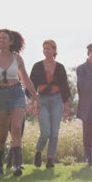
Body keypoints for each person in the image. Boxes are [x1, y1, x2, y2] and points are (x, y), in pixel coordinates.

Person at [0, 29, 39, 177]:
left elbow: (25, 79)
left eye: (4, 38)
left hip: (17, 93)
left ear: (11, 41)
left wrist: (35, 97)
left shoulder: (17, 58)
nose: (1, 40)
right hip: (0, 95)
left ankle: (16, 165)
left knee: (17, 128)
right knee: (2, 134)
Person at [28, 40, 71, 168]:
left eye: (49, 49)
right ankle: (38, 152)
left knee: (54, 133)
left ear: (54, 50)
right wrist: (32, 101)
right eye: (44, 48)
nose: (46, 51)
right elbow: (31, 86)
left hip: (57, 100)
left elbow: (64, 87)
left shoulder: (60, 67)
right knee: (46, 132)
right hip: (42, 101)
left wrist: (66, 105)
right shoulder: (37, 66)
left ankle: (50, 159)